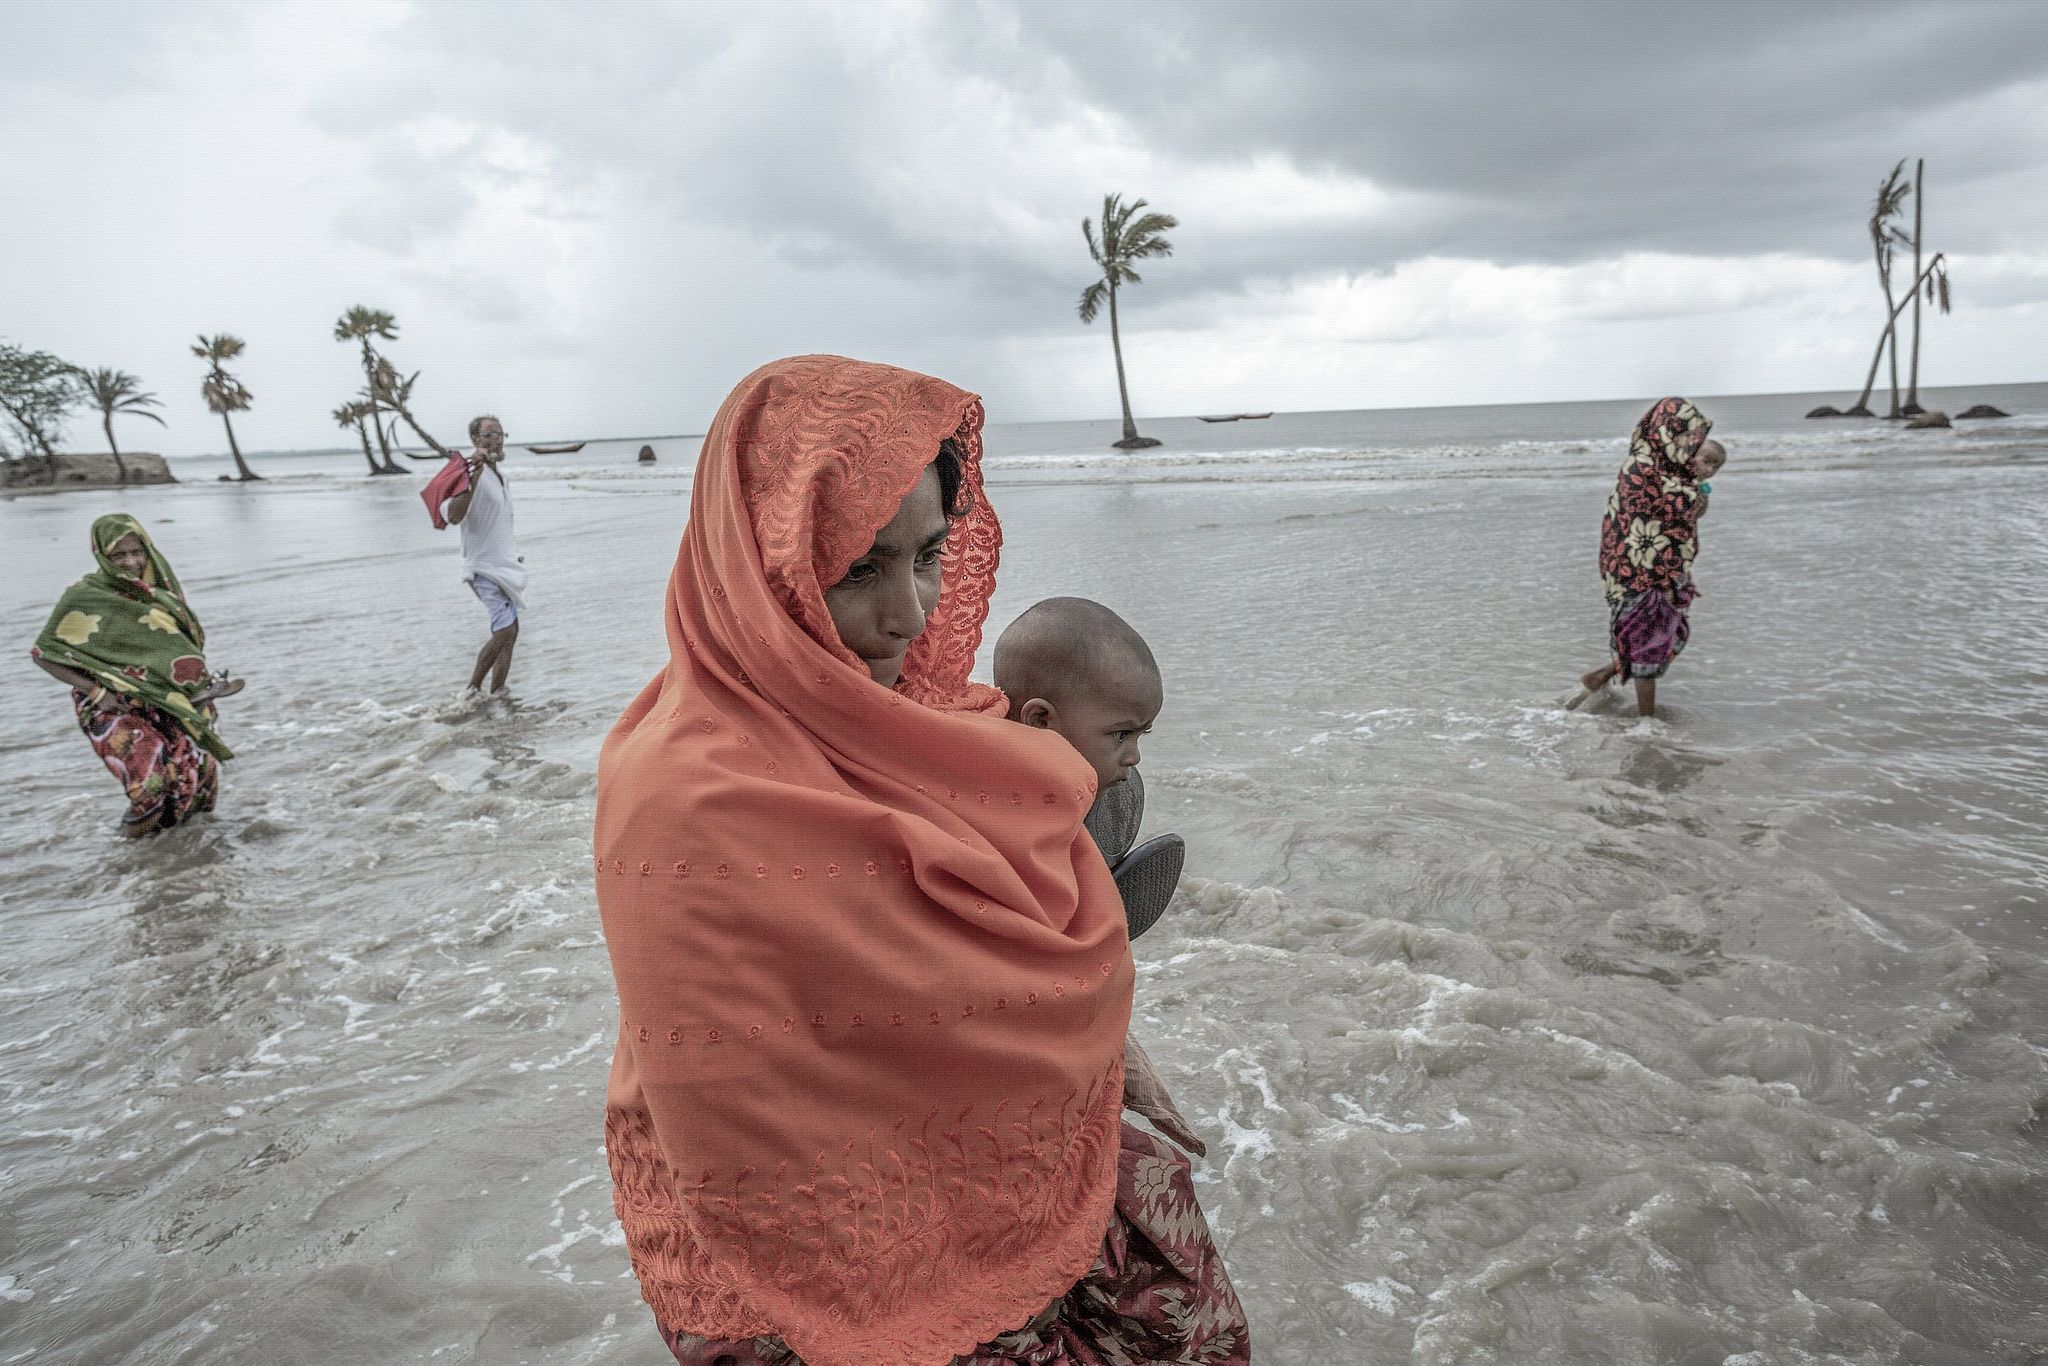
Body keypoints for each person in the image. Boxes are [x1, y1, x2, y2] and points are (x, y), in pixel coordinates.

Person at [593, 355, 1248, 1366]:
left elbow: (994, 946)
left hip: (1001, 1162)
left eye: (929, 554)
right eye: (859, 567)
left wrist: (1106, 1047)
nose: (907, 612)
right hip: (797, 1267)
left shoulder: (925, 723)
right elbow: (741, 1107)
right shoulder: (683, 795)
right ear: (763, 559)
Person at [29, 514, 241, 835]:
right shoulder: (85, 595)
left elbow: (173, 650)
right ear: (102, 555)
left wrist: (199, 688)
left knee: (197, 780)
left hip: (162, 700)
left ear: (148, 551)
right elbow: (45, 654)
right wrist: (99, 693)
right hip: (111, 705)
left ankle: (180, 861)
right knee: (151, 784)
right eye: (119, 555)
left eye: (136, 552)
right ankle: (124, 863)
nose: (130, 562)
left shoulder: (160, 594)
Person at [1569, 399, 1723, 718]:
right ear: (1664, 431)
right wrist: (1693, 504)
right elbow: (1659, 515)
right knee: (1646, 643)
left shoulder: (1679, 474)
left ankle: (1600, 676)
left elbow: (1686, 517)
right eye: (1685, 436)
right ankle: (1646, 725)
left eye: (1693, 439)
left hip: (1669, 569)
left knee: (1667, 637)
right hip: (1638, 570)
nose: (1689, 444)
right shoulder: (1640, 467)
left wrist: (1697, 500)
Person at [993, 597, 1161, 794]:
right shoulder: (982, 805)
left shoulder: (1119, 800)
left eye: (1142, 734)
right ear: (1040, 721)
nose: (1134, 758)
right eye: (1121, 734)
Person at [442, 413, 525, 693]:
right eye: (490, 435)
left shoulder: (498, 475)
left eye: (501, 434)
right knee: (505, 630)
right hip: (482, 568)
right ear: (475, 439)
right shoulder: (469, 472)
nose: (497, 440)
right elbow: (453, 515)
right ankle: (471, 690)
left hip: (504, 565)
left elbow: (499, 522)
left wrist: (513, 554)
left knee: (510, 634)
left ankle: (498, 690)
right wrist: (472, 475)